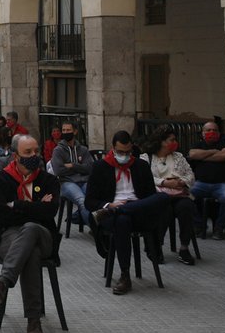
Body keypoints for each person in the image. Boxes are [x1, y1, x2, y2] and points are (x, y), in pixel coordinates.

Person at [0, 133, 60, 333]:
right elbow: (0, 215)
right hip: (10, 236)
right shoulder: (1, 179)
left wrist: (17, 205)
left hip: (43, 234)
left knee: (30, 229)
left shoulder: (48, 180)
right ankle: (34, 323)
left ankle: (3, 282)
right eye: (28, 152)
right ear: (16, 156)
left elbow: (50, 212)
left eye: (36, 151)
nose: (34, 156)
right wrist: (37, 208)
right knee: (31, 253)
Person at [85, 130, 168, 295]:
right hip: (111, 212)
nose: (124, 155)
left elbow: (150, 196)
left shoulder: (141, 166)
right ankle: (125, 274)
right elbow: (89, 201)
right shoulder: (100, 167)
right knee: (122, 220)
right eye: (120, 152)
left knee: (163, 197)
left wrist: (132, 205)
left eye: (128, 152)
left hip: (138, 210)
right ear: (113, 149)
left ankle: (121, 209)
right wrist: (110, 205)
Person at [141, 126, 198, 266]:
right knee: (163, 210)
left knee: (187, 207)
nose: (174, 142)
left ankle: (184, 247)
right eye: (171, 140)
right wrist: (165, 183)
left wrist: (180, 182)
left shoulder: (178, 157)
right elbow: (144, 178)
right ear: (161, 141)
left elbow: (190, 175)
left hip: (178, 196)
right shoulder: (146, 158)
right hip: (158, 197)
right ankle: (155, 246)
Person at [187, 120, 225, 239]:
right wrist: (213, 152)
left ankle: (219, 228)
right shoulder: (197, 145)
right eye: (208, 130)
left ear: (219, 133)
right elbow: (193, 154)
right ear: (203, 133)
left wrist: (203, 157)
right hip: (200, 184)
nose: (212, 132)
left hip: (223, 184)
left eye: (214, 130)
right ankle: (199, 226)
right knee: (185, 195)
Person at [50, 122, 93, 226]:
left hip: (84, 181)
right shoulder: (58, 150)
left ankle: (100, 226)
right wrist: (80, 168)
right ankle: (96, 230)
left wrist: (73, 166)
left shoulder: (83, 149)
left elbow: (90, 168)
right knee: (82, 200)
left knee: (94, 199)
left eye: (68, 130)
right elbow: (58, 171)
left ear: (75, 131)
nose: (65, 132)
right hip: (66, 183)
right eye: (63, 130)